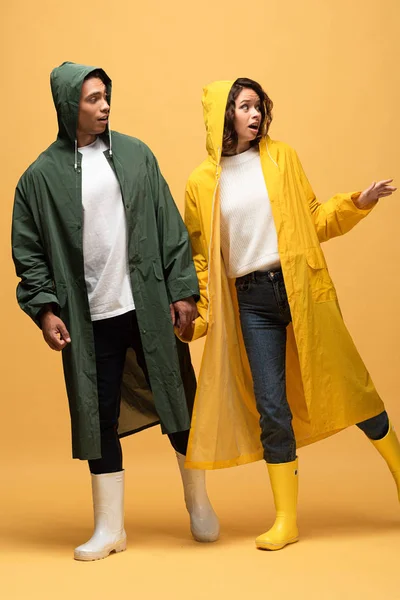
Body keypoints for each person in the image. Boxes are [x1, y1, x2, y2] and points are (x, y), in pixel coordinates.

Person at [11, 62, 219, 561]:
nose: (104, 105)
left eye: (106, 96)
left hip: (145, 307)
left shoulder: (135, 154)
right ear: (68, 106)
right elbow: (30, 251)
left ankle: (199, 503)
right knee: (97, 416)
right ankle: (110, 529)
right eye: (92, 99)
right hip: (89, 320)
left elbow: (169, 223)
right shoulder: (39, 177)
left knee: (178, 403)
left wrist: (183, 291)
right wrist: (44, 311)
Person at [182, 77, 399, 551]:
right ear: (225, 116)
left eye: (258, 106)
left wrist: (357, 204)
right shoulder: (202, 182)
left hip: (301, 287)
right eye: (244, 107)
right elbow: (202, 260)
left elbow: (314, 219)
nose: (255, 115)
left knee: (348, 385)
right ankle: (286, 520)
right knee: (272, 407)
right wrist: (195, 320)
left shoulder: (283, 159)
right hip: (252, 300)